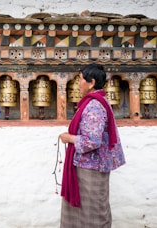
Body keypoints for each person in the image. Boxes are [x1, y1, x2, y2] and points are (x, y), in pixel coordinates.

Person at [59, 63, 125, 228]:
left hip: (91, 167)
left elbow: (92, 141)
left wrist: (69, 138)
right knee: (82, 212)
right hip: (86, 165)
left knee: (93, 212)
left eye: (80, 79)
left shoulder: (94, 106)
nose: (78, 83)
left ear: (92, 82)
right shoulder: (93, 102)